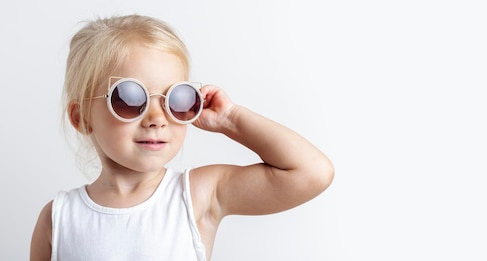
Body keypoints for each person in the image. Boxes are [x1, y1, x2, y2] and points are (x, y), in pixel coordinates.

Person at [30, 14, 334, 261]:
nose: (156, 118)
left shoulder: (198, 195)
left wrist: (230, 120)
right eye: (129, 97)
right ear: (81, 117)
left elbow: (312, 172)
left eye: (175, 99)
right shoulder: (58, 218)